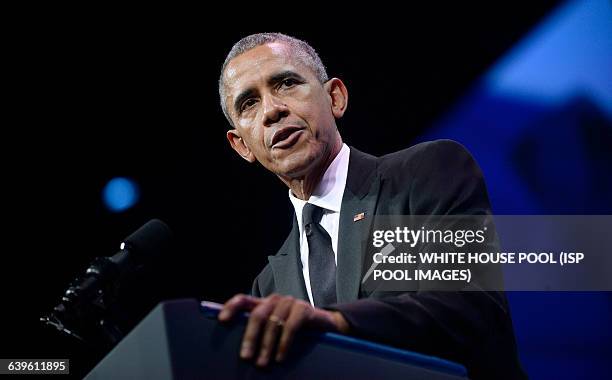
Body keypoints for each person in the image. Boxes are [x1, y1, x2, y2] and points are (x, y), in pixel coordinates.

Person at [217, 33, 526, 380]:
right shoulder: (269, 286)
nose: (272, 110)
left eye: (287, 83)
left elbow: (472, 307)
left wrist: (336, 323)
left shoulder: (426, 172)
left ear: (335, 97)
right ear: (241, 146)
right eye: (248, 104)